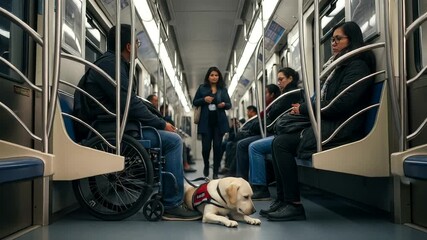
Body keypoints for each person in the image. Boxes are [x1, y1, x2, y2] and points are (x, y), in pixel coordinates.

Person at [73, 24, 201, 221]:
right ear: (129, 46)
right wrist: (160, 124)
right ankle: (172, 204)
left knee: (169, 138)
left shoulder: (114, 64)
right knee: (173, 141)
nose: (138, 46)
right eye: (137, 43)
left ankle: (170, 195)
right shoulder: (112, 65)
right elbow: (129, 104)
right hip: (110, 129)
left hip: (116, 126)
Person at [263, 21, 376, 221]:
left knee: (281, 144)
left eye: (338, 39)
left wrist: (305, 109)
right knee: (277, 142)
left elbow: (340, 104)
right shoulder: (339, 66)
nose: (333, 43)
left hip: (341, 126)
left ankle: (294, 205)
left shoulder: (357, 66)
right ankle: (283, 200)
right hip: (331, 122)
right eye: (332, 39)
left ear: (352, 40)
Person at [247, 67, 302, 200]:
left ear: (290, 79)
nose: (279, 82)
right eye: (277, 80)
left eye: (281, 79)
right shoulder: (287, 94)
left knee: (254, 147)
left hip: (288, 132)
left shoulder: (290, 94)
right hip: (282, 131)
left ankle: (261, 187)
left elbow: (274, 113)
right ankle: (254, 185)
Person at [235, 84, 281, 180]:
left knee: (244, 145)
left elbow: (266, 122)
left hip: (271, 133)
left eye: (266, 93)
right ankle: (243, 177)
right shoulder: (269, 107)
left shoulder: (276, 105)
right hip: (265, 131)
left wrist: (252, 128)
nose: (265, 96)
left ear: (272, 94)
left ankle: (244, 180)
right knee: (238, 143)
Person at [193, 66, 232, 179]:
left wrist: (224, 105)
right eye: (212, 75)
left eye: (216, 75)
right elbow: (195, 102)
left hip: (219, 123)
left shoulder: (222, 89)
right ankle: (206, 164)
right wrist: (204, 100)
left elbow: (229, 104)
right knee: (206, 148)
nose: (214, 77)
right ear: (208, 76)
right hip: (206, 123)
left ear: (219, 77)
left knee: (218, 147)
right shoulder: (202, 88)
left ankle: (215, 171)